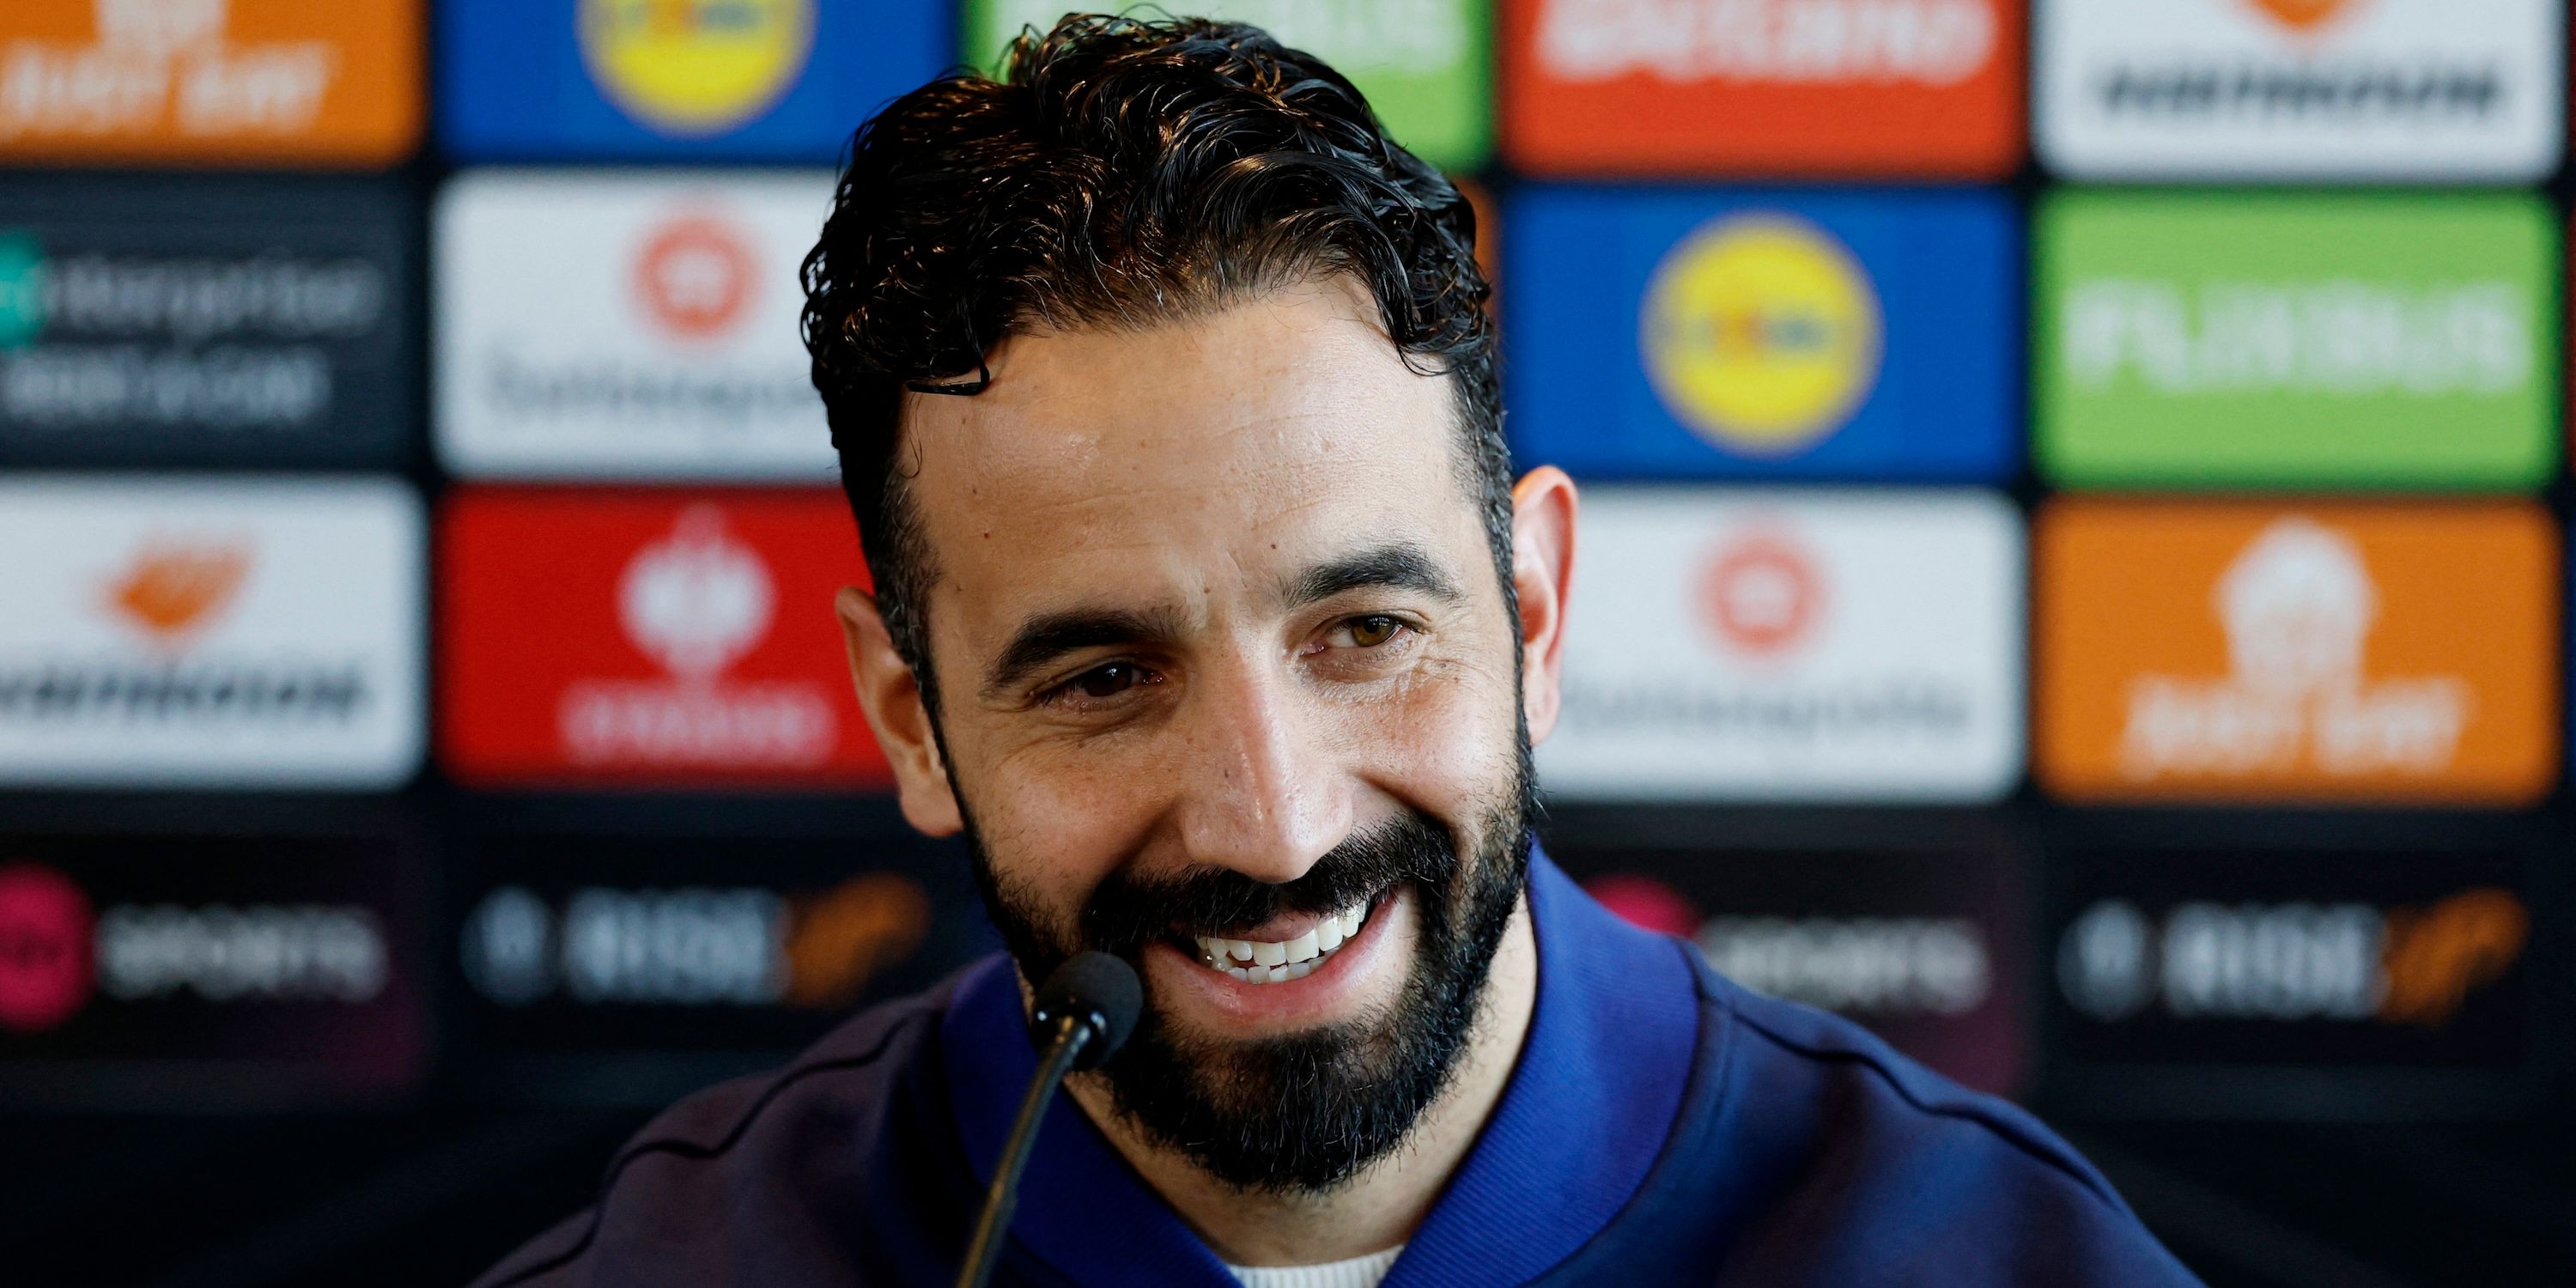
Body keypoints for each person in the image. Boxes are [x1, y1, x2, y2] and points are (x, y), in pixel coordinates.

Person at [472, 15, 2201, 1286]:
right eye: (1101, 679)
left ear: (1532, 614)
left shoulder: (1993, 1261)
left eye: (1365, 632)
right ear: (912, 722)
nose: (1273, 827)